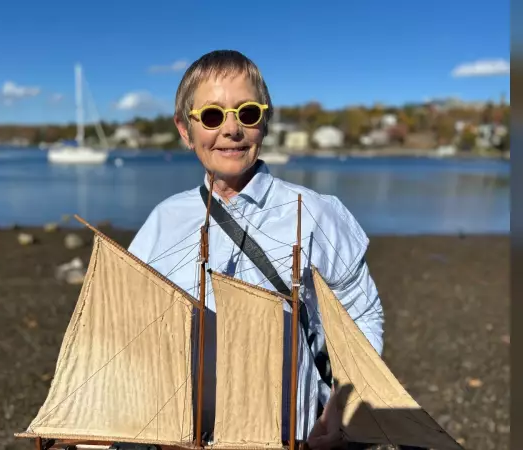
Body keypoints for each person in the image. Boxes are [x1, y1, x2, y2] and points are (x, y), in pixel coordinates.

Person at [127, 50, 384, 450]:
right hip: (183, 435)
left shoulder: (316, 214)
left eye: (247, 113)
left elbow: (361, 315)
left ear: (264, 122)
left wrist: (341, 406)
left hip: (291, 435)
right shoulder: (163, 222)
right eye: (212, 116)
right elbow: (130, 328)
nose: (231, 129)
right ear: (185, 130)